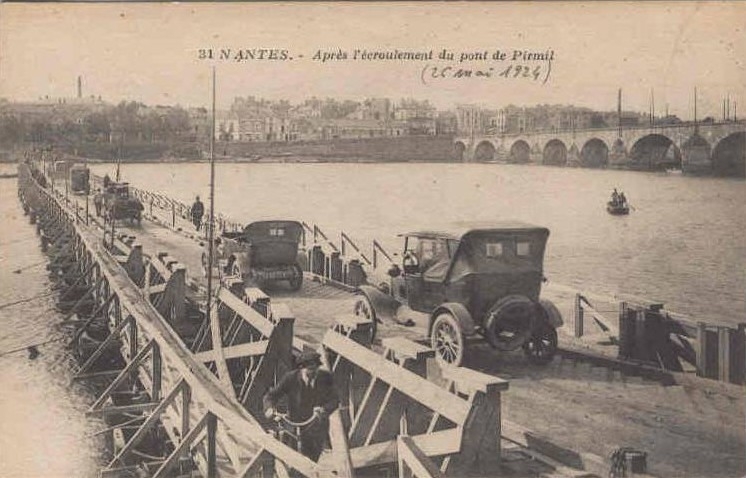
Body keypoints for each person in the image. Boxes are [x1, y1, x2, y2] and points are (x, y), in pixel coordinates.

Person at [263, 350, 338, 461]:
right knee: (294, 459)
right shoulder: (290, 378)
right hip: (294, 424)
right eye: (309, 370)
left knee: (312, 459)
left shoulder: (326, 377)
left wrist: (324, 409)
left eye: (315, 370)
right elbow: (270, 396)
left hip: (316, 426)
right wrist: (269, 408)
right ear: (301, 368)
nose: (313, 373)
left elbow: (335, 400)